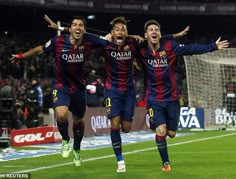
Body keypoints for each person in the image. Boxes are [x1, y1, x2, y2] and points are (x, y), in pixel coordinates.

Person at [44, 15, 190, 172]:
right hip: (112, 90)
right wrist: (60, 29)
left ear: (126, 32)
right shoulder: (105, 43)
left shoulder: (133, 43)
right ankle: (120, 161)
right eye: (117, 29)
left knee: (126, 128)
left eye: (123, 29)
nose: (120, 32)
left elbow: (153, 39)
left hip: (129, 91)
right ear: (112, 32)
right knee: (114, 124)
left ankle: (151, 125)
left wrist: (174, 36)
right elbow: (82, 33)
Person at [137, 19, 229, 171]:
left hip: (172, 98)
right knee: (161, 130)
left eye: (156, 30)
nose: (154, 31)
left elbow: (191, 48)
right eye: (150, 30)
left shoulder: (170, 46)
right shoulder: (140, 50)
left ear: (160, 34)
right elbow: (123, 42)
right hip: (153, 98)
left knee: (171, 133)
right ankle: (165, 163)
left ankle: (159, 124)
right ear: (145, 35)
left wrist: (213, 46)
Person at [10, 16, 91, 167]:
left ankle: (77, 149)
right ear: (71, 28)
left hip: (79, 89)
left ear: (84, 29)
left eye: (81, 25)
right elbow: (40, 49)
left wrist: (135, 38)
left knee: (79, 122)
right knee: (61, 116)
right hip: (61, 86)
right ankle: (66, 139)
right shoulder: (58, 41)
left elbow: (110, 38)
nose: (77, 27)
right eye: (74, 25)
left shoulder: (89, 41)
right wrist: (21, 56)